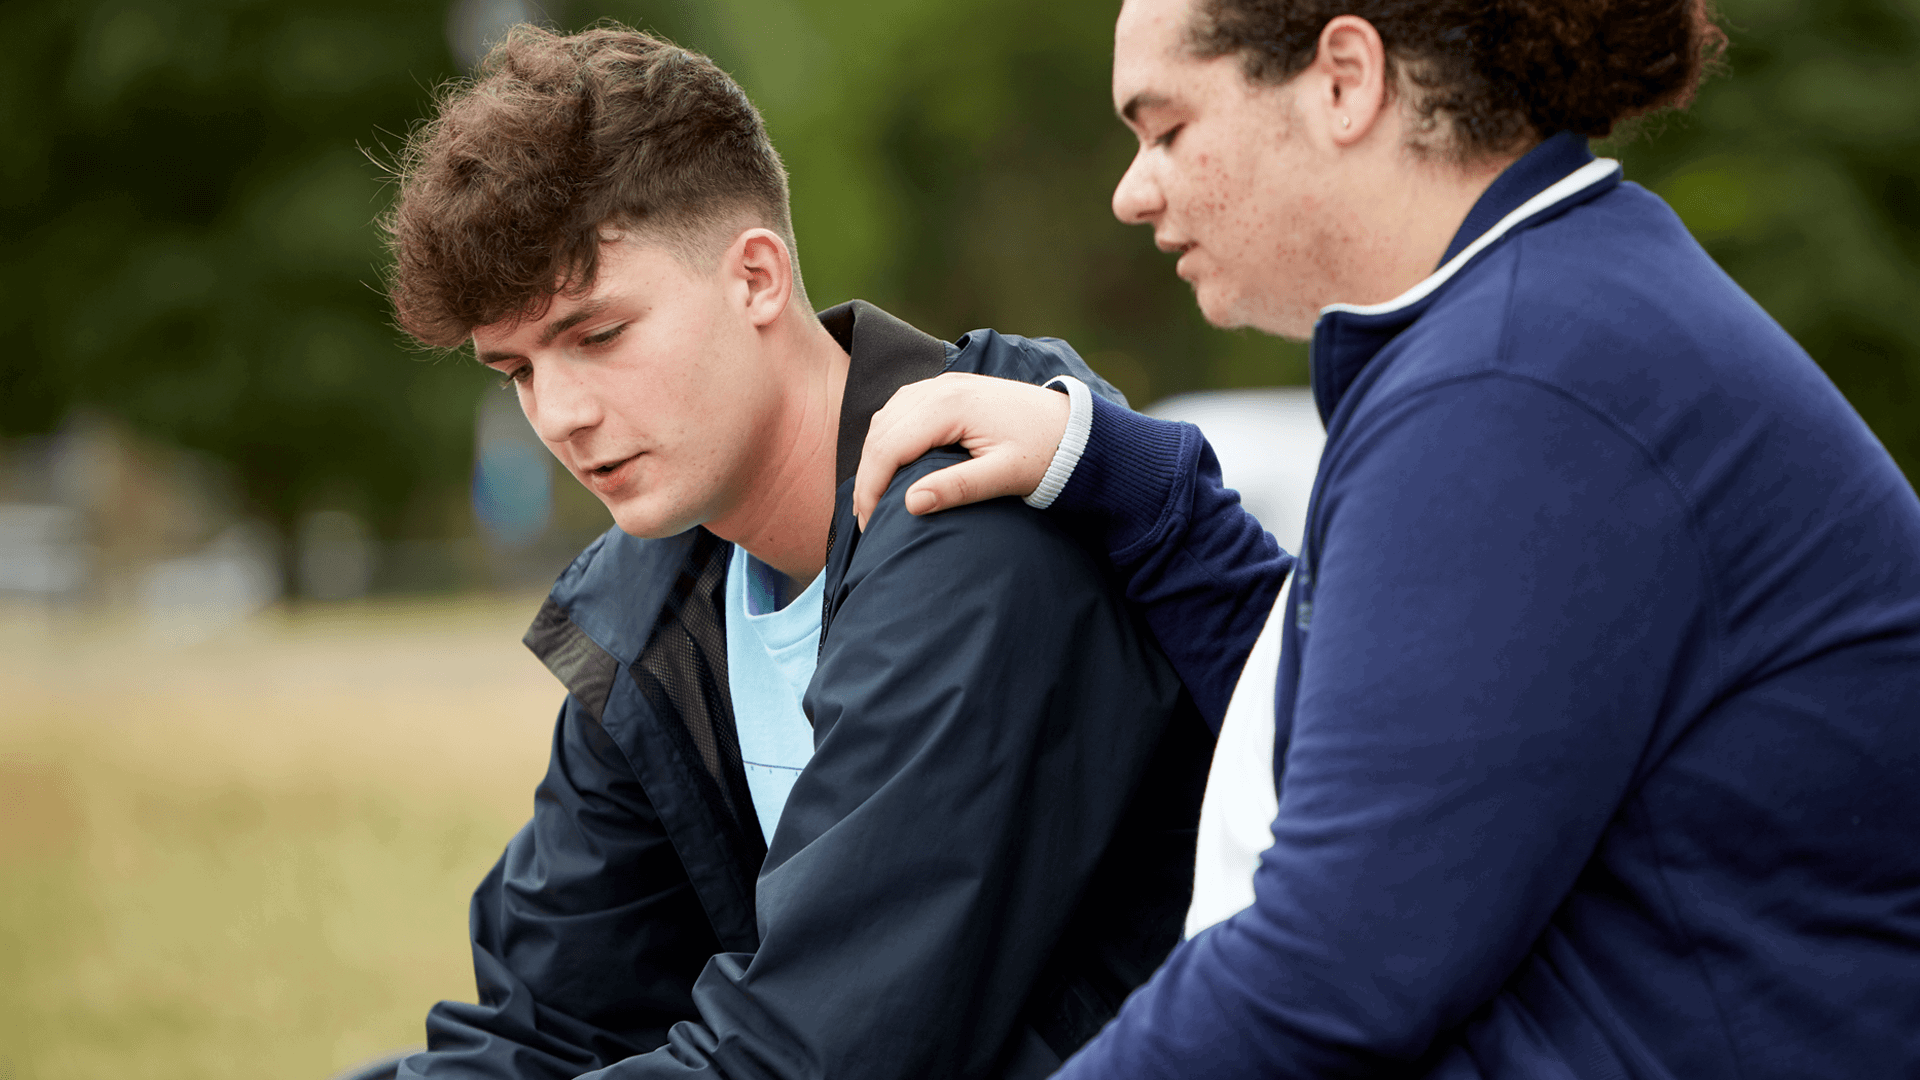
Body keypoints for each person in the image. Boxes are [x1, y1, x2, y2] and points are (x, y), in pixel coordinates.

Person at [852, 0, 1920, 1076]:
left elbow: (1326, 973)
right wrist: (1120, 477)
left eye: (1167, 129)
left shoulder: (1518, 385)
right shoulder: (1543, 318)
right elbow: (1379, 737)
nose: (1133, 192)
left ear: (1345, 81)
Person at [379, 25, 1214, 1080]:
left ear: (758, 278)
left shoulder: (978, 529)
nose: (561, 415)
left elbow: (807, 1056)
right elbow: (542, 1028)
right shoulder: (650, 601)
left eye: (597, 335)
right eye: (517, 370)